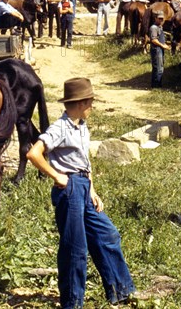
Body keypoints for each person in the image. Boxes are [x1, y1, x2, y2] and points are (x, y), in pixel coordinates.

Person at [26, 77, 136, 308]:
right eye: (90, 102)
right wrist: (57, 176)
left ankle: (121, 290)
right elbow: (34, 153)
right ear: (80, 103)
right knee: (75, 248)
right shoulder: (60, 128)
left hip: (84, 188)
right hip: (70, 189)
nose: (92, 107)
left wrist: (93, 190)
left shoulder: (81, 127)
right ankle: (72, 302)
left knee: (108, 235)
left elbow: (84, 161)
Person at [149, 11, 170, 88]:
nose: (161, 20)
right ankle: (156, 86)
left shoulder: (160, 27)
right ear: (155, 18)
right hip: (156, 49)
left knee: (160, 67)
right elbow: (154, 40)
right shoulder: (154, 28)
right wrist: (163, 45)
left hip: (160, 49)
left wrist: (165, 45)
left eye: (162, 19)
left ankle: (158, 85)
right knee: (158, 68)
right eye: (159, 19)